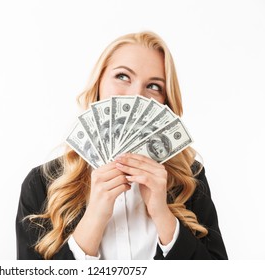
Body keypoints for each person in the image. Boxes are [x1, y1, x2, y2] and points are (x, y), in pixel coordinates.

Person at [16, 31, 228, 260]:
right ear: (98, 85)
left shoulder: (190, 179)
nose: (136, 95)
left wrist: (162, 214)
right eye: (123, 76)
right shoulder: (41, 184)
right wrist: (95, 215)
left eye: (154, 86)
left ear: (165, 103)